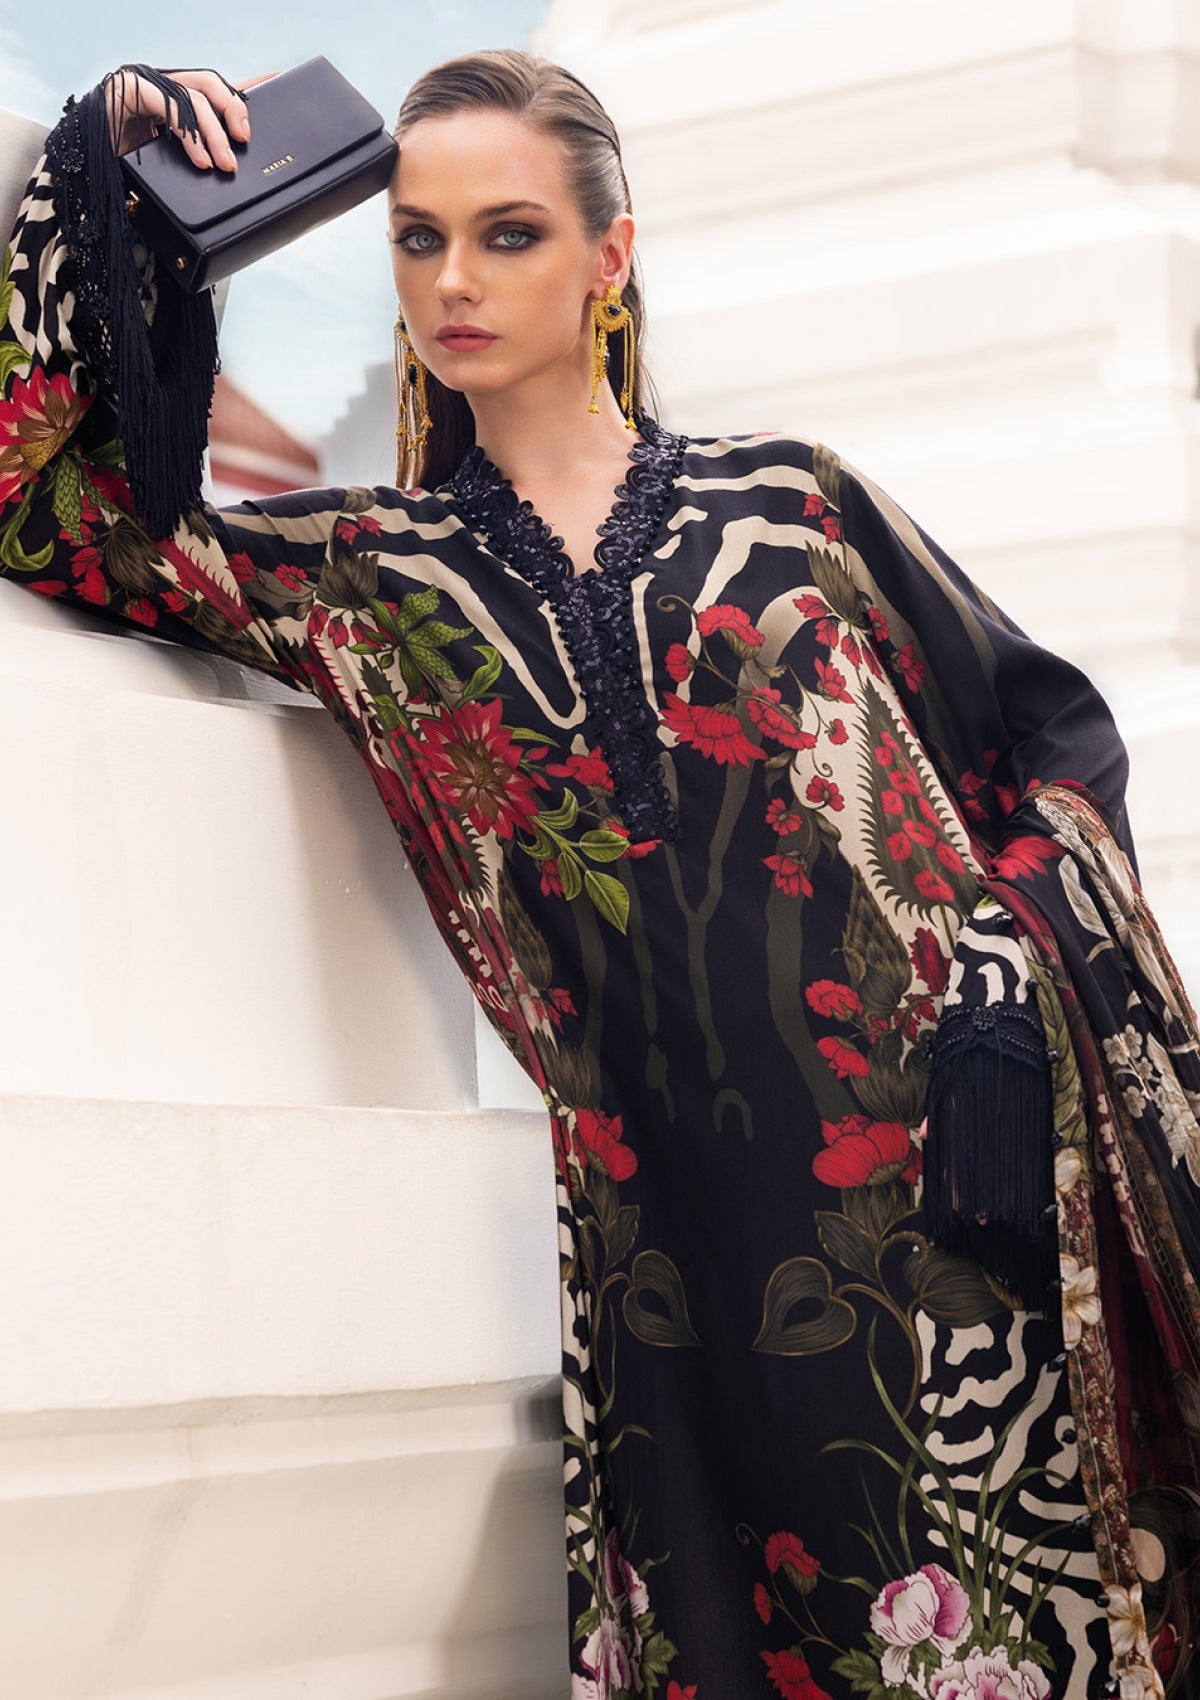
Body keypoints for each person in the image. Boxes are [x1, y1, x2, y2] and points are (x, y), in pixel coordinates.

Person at [2, 49, 1199, 1700]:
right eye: (417, 238)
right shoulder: (367, 580)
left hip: (961, 1193)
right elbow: (56, 518)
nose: (455, 280)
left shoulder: (793, 501)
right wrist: (127, 180)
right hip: (678, 1266)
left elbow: (1046, 731)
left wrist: (1002, 975)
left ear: (608, 256)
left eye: (508, 233)